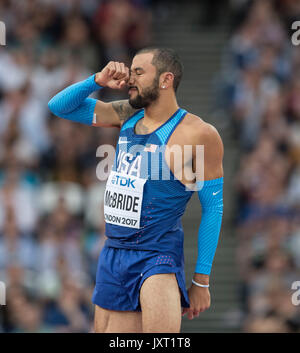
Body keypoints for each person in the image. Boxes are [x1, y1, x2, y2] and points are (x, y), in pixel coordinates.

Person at [48, 47, 224, 333]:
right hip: (114, 252)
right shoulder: (127, 113)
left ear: (165, 80)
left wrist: (201, 280)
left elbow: (213, 207)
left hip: (156, 254)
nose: (130, 78)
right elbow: (58, 106)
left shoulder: (198, 134)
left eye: (139, 72)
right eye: (130, 72)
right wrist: (97, 81)